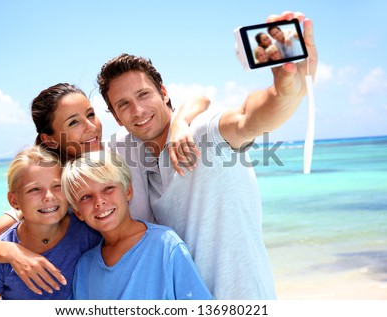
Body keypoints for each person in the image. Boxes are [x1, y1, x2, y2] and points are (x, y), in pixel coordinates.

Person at [96, 11, 317, 300]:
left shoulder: (202, 131)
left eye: (143, 95)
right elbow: (70, 178)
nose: (137, 110)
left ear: (163, 92)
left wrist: (286, 91)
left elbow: (247, 118)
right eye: (123, 104)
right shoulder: (125, 152)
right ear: (114, 115)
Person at [0, 83, 209, 295]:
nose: (90, 127)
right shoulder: (51, 194)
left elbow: (201, 98)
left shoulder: (121, 150)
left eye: (90, 114)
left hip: (153, 267)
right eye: (74, 122)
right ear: (50, 139)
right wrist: (14, 253)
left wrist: (180, 123)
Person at [61, 150, 213, 299]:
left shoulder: (166, 245)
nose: (99, 201)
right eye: (86, 197)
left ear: (128, 191)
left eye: (108, 188)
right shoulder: (84, 267)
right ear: (78, 212)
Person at [0, 145, 101, 299]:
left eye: (57, 186)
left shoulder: (88, 233)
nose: (48, 196)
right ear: (14, 200)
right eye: (34, 189)